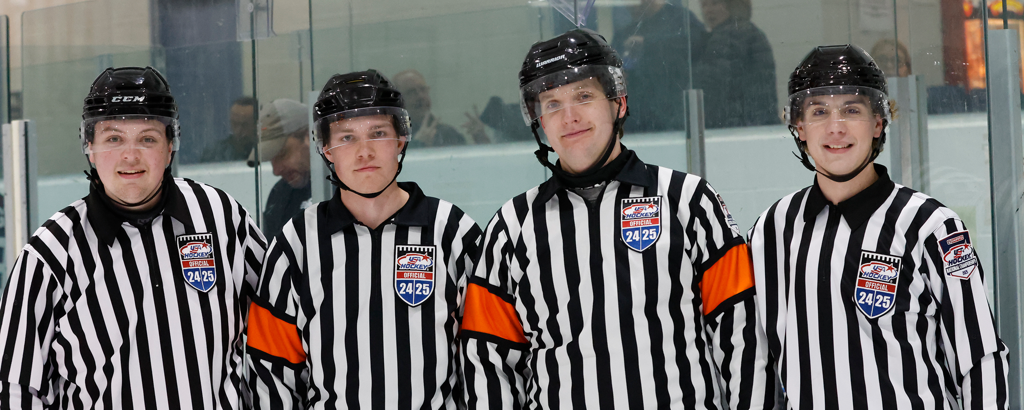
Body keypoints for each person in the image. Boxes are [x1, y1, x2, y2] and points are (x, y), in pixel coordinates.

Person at [461, 29, 775, 409]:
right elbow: (488, 360)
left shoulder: (689, 201)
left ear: (618, 103)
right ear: (540, 121)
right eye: (552, 104)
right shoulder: (510, 228)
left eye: (583, 96)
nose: (569, 117)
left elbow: (741, 333)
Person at [747, 45, 1008, 409]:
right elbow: (758, 361)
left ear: (878, 123)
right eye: (819, 111)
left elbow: (980, 358)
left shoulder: (931, 227)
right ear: (799, 127)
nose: (835, 127)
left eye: (852, 110)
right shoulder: (770, 231)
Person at [0, 66, 267, 409]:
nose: (130, 155)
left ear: (170, 146)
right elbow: (16, 387)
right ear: (89, 147)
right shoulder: (50, 254)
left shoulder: (220, 216)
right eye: (113, 139)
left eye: (147, 138)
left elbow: (279, 328)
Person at [245, 70, 482, 409]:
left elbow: (485, 359)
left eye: (378, 133)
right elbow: (272, 373)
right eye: (347, 137)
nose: (364, 151)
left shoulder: (454, 232)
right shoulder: (295, 244)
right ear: (326, 149)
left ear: (401, 140)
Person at [612, 0, 707, 132]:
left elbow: (697, 44)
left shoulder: (680, 18)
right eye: (628, 4)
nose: (632, 7)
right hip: (638, 114)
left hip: (675, 110)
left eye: (635, 3)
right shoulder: (626, 32)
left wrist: (648, 44)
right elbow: (610, 66)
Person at [695, 0, 779, 128]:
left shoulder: (728, 37)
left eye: (715, 3)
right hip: (752, 125)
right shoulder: (751, 33)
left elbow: (714, 89)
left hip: (735, 127)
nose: (708, 10)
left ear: (732, 5)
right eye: (704, 5)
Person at [246, 98, 312, 239]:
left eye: (282, 154)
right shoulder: (280, 195)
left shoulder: (346, 188)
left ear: (310, 138)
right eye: (271, 159)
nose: (276, 171)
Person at [392, 69, 489, 147]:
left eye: (423, 89)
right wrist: (417, 144)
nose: (420, 96)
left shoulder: (447, 133)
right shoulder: (389, 137)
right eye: (411, 92)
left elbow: (466, 164)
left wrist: (481, 139)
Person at [202, 96, 257, 162]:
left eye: (245, 125)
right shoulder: (214, 154)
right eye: (235, 124)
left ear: (256, 125)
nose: (238, 131)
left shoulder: (264, 152)